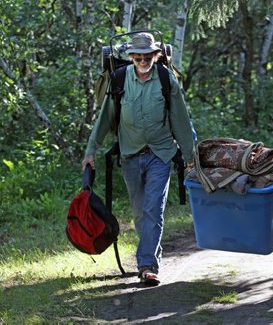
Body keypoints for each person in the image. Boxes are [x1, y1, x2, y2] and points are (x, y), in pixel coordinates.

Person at [82, 32, 195, 286]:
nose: (143, 61)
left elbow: (181, 121)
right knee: (140, 212)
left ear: (156, 56)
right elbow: (104, 118)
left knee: (153, 208)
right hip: (130, 154)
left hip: (161, 153)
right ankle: (151, 254)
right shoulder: (120, 79)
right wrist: (91, 151)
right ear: (131, 57)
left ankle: (147, 266)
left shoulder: (166, 80)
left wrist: (190, 157)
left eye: (148, 56)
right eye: (138, 57)